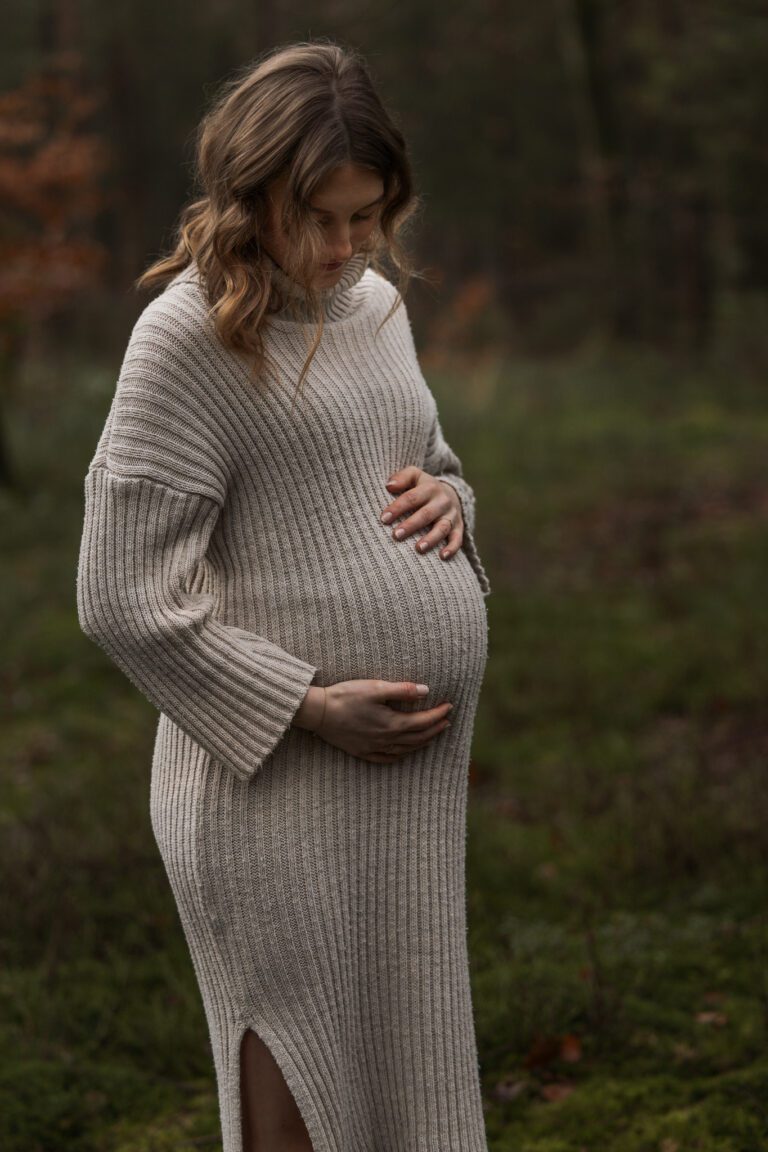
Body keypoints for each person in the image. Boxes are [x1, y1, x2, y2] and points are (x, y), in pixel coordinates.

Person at [76, 38, 492, 1152]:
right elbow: (120, 595)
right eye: (319, 218)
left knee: (406, 1076)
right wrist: (311, 706)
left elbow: (425, 459)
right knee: (298, 1097)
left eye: (366, 216)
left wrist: (454, 501)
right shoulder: (188, 338)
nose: (345, 245)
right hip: (269, 795)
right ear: (250, 190)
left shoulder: (374, 308)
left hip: (404, 796)